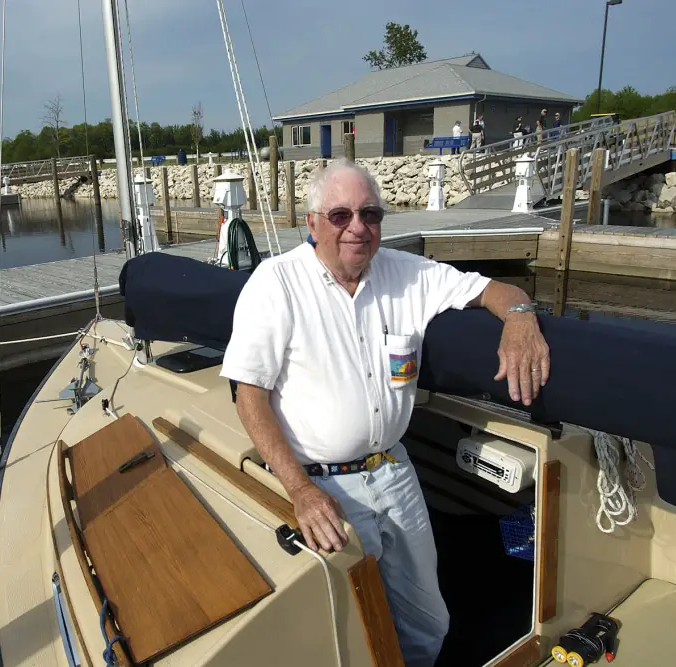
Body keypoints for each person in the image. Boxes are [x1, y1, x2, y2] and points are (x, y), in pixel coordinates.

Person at [221, 160, 551, 667]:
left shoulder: (406, 273)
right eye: (340, 215)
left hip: (395, 472)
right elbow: (249, 396)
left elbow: (493, 291)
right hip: (323, 486)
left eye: (370, 214)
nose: (357, 227)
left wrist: (521, 317)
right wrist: (301, 492)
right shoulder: (276, 284)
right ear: (312, 223)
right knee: (351, 632)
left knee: (429, 622)